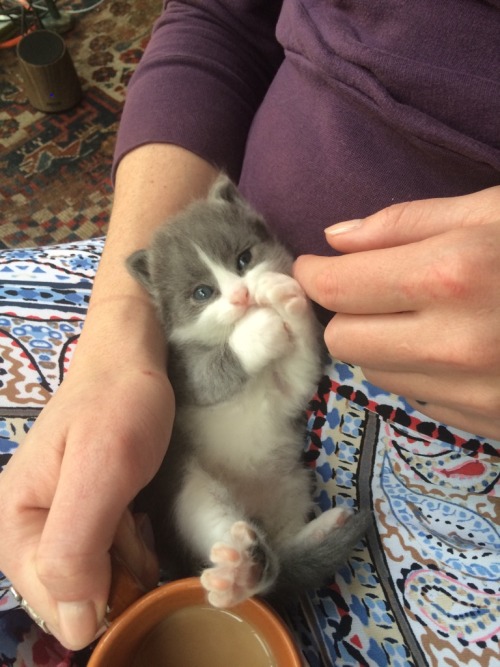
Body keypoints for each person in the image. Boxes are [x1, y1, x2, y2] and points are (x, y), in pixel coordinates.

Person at [0, 1, 499, 664]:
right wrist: (117, 341)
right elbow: (219, 16)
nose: (237, 291)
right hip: (196, 326)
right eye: (212, 291)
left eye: (239, 267)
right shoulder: (196, 311)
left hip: (455, 407)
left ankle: (263, 563)